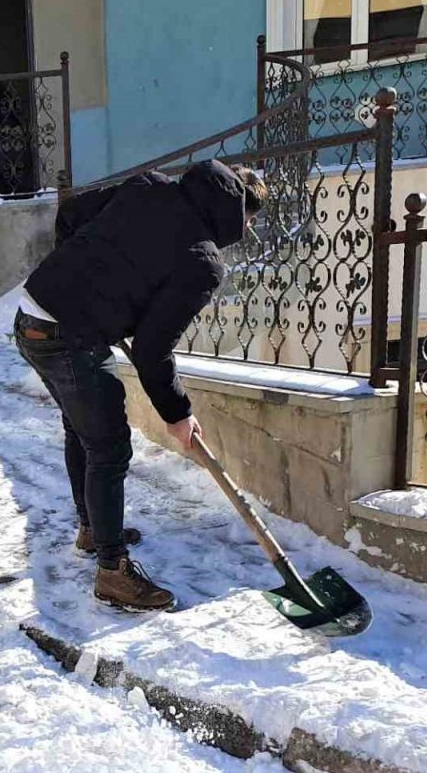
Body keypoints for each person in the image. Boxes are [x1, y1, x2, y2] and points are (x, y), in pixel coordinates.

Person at [15, 160, 267, 612]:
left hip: (32, 313)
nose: (247, 231)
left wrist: (81, 278)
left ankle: (94, 530)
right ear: (238, 213)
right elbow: (153, 348)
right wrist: (178, 414)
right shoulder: (203, 261)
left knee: (83, 429)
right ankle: (113, 572)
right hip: (68, 336)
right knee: (109, 446)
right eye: (250, 221)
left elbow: (71, 215)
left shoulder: (150, 186)